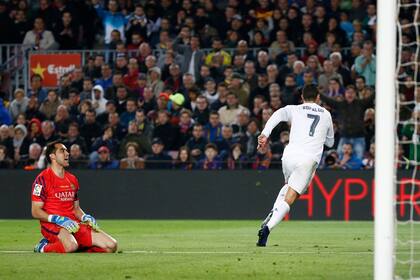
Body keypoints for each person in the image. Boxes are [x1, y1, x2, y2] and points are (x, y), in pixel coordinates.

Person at [256, 85, 334, 247]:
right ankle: (267, 228)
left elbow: (277, 114)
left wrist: (265, 133)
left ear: (302, 97)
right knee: (291, 197)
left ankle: (269, 218)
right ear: (318, 97)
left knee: (287, 188)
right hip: (307, 160)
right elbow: (331, 142)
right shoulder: (326, 115)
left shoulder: (294, 109)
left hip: (289, 156)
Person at [31, 141, 117, 253]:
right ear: (52, 156)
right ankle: (43, 247)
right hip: (53, 225)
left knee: (111, 246)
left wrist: (85, 217)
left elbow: (76, 209)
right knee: (71, 246)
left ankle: (74, 245)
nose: (67, 153)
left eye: (67, 150)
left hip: (73, 224)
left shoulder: (72, 179)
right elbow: (35, 211)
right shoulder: (42, 179)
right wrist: (57, 219)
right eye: (62, 151)